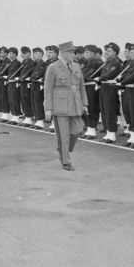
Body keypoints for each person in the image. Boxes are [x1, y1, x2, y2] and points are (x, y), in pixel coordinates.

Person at [44, 41, 88, 171]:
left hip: (75, 104)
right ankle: (66, 161)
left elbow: (82, 87)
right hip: (60, 106)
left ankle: (63, 149)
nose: (73, 54)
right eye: (70, 52)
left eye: (73, 52)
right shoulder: (53, 67)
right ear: (63, 53)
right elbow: (48, 89)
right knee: (63, 136)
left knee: (78, 129)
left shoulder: (76, 66)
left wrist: (85, 104)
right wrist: (48, 108)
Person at [116, 43, 134, 148]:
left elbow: (133, 77)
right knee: (128, 113)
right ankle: (132, 136)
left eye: (133, 52)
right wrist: (119, 80)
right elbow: (123, 75)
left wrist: (121, 82)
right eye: (130, 52)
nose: (131, 54)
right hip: (127, 89)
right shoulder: (130, 64)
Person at [94, 42, 122, 143]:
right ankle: (108, 132)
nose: (106, 52)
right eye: (106, 51)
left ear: (115, 52)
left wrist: (99, 78)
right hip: (103, 87)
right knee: (104, 110)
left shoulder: (116, 63)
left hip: (110, 87)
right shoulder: (107, 62)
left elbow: (109, 75)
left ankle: (112, 133)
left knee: (110, 111)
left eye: (109, 51)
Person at [82, 45, 103, 139]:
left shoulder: (96, 63)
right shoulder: (88, 63)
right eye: (84, 52)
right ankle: (89, 128)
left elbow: (88, 75)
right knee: (86, 108)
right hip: (86, 87)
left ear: (93, 53)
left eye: (87, 52)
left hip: (91, 87)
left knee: (92, 108)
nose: (85, 54)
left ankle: (92, 129)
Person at [17, 46, 36, 127]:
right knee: (23, 100)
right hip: (22, 82)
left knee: (27, 100)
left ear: (28, 53)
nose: (22, 55)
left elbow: (29, 73)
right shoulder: (24, 61)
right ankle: (26, 115)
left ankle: (29, 117)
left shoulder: (31, 62)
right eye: (22, 53)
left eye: (24, 53)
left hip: (27, 83)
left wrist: (24, 78)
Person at [30, 47, 47, 129]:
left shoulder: (42, 64)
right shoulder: (35, 63)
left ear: (41, 55)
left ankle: (40, 120)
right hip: (34, 84)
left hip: (38, 85)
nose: (34, 55)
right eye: (34, 54)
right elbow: (32, 75)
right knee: (34, 102)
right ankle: (37, 119)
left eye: (36, 54)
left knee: (38, 103)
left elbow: (37, 75)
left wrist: (33, 78)